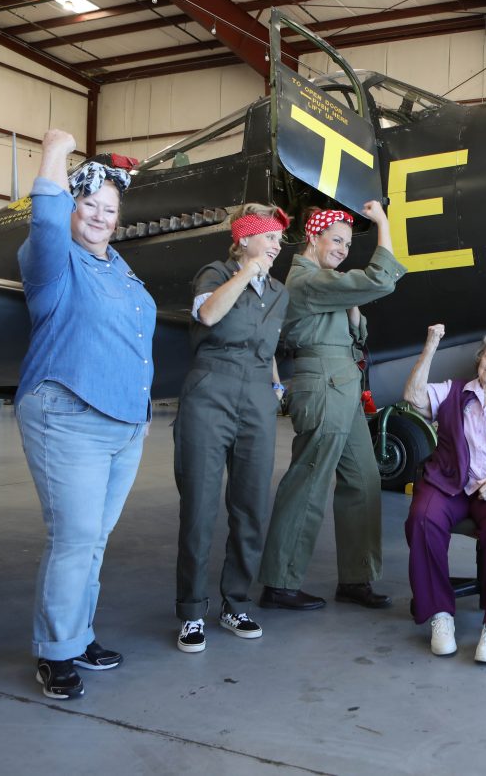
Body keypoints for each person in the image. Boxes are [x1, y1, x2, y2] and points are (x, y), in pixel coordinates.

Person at [15, 130, 155, 699]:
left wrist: (142, 413)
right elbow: (44, 222)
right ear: (72, 207)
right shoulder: (53, 263)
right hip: (66, 414)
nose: (100, 217)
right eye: (89, 205)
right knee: (74, 538)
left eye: (109, 209)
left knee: (94, 540)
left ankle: (77, 633)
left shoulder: (119, 270)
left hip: (124, 425)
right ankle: (56, 652)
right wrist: (55, 151)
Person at [258, 202, 405, 611]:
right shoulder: (307, 282)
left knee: (364, 479)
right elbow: (381, 278)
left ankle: (357, 578)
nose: (342, 248)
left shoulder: (325, 282)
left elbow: (356, 333)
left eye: (345, 242)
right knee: (309, 481)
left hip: (343, 384)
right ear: (313, 238)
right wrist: (382, 224)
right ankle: (279, 582)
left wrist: (352, 306)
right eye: (335, 240)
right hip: (323, 384)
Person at [173, 204, 291, 653]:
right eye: (270, 238)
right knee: (200, 507)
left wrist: (276, 385)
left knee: (251, 506)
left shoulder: (279, 292)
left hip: (258, 396)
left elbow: (270, 344)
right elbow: (208, 316)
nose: (277, 248)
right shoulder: (216, 272)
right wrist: (246, 272)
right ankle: (191, 612)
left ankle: (236, 602)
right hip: (211, 390)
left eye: (280, 240)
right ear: (244, 239)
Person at [403, 326, 486, 664]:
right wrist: (431, 344)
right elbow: (412, 396)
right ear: (479, 362)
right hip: (451, 481)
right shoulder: (454, 392)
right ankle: (440, 616)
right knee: (422, 518)